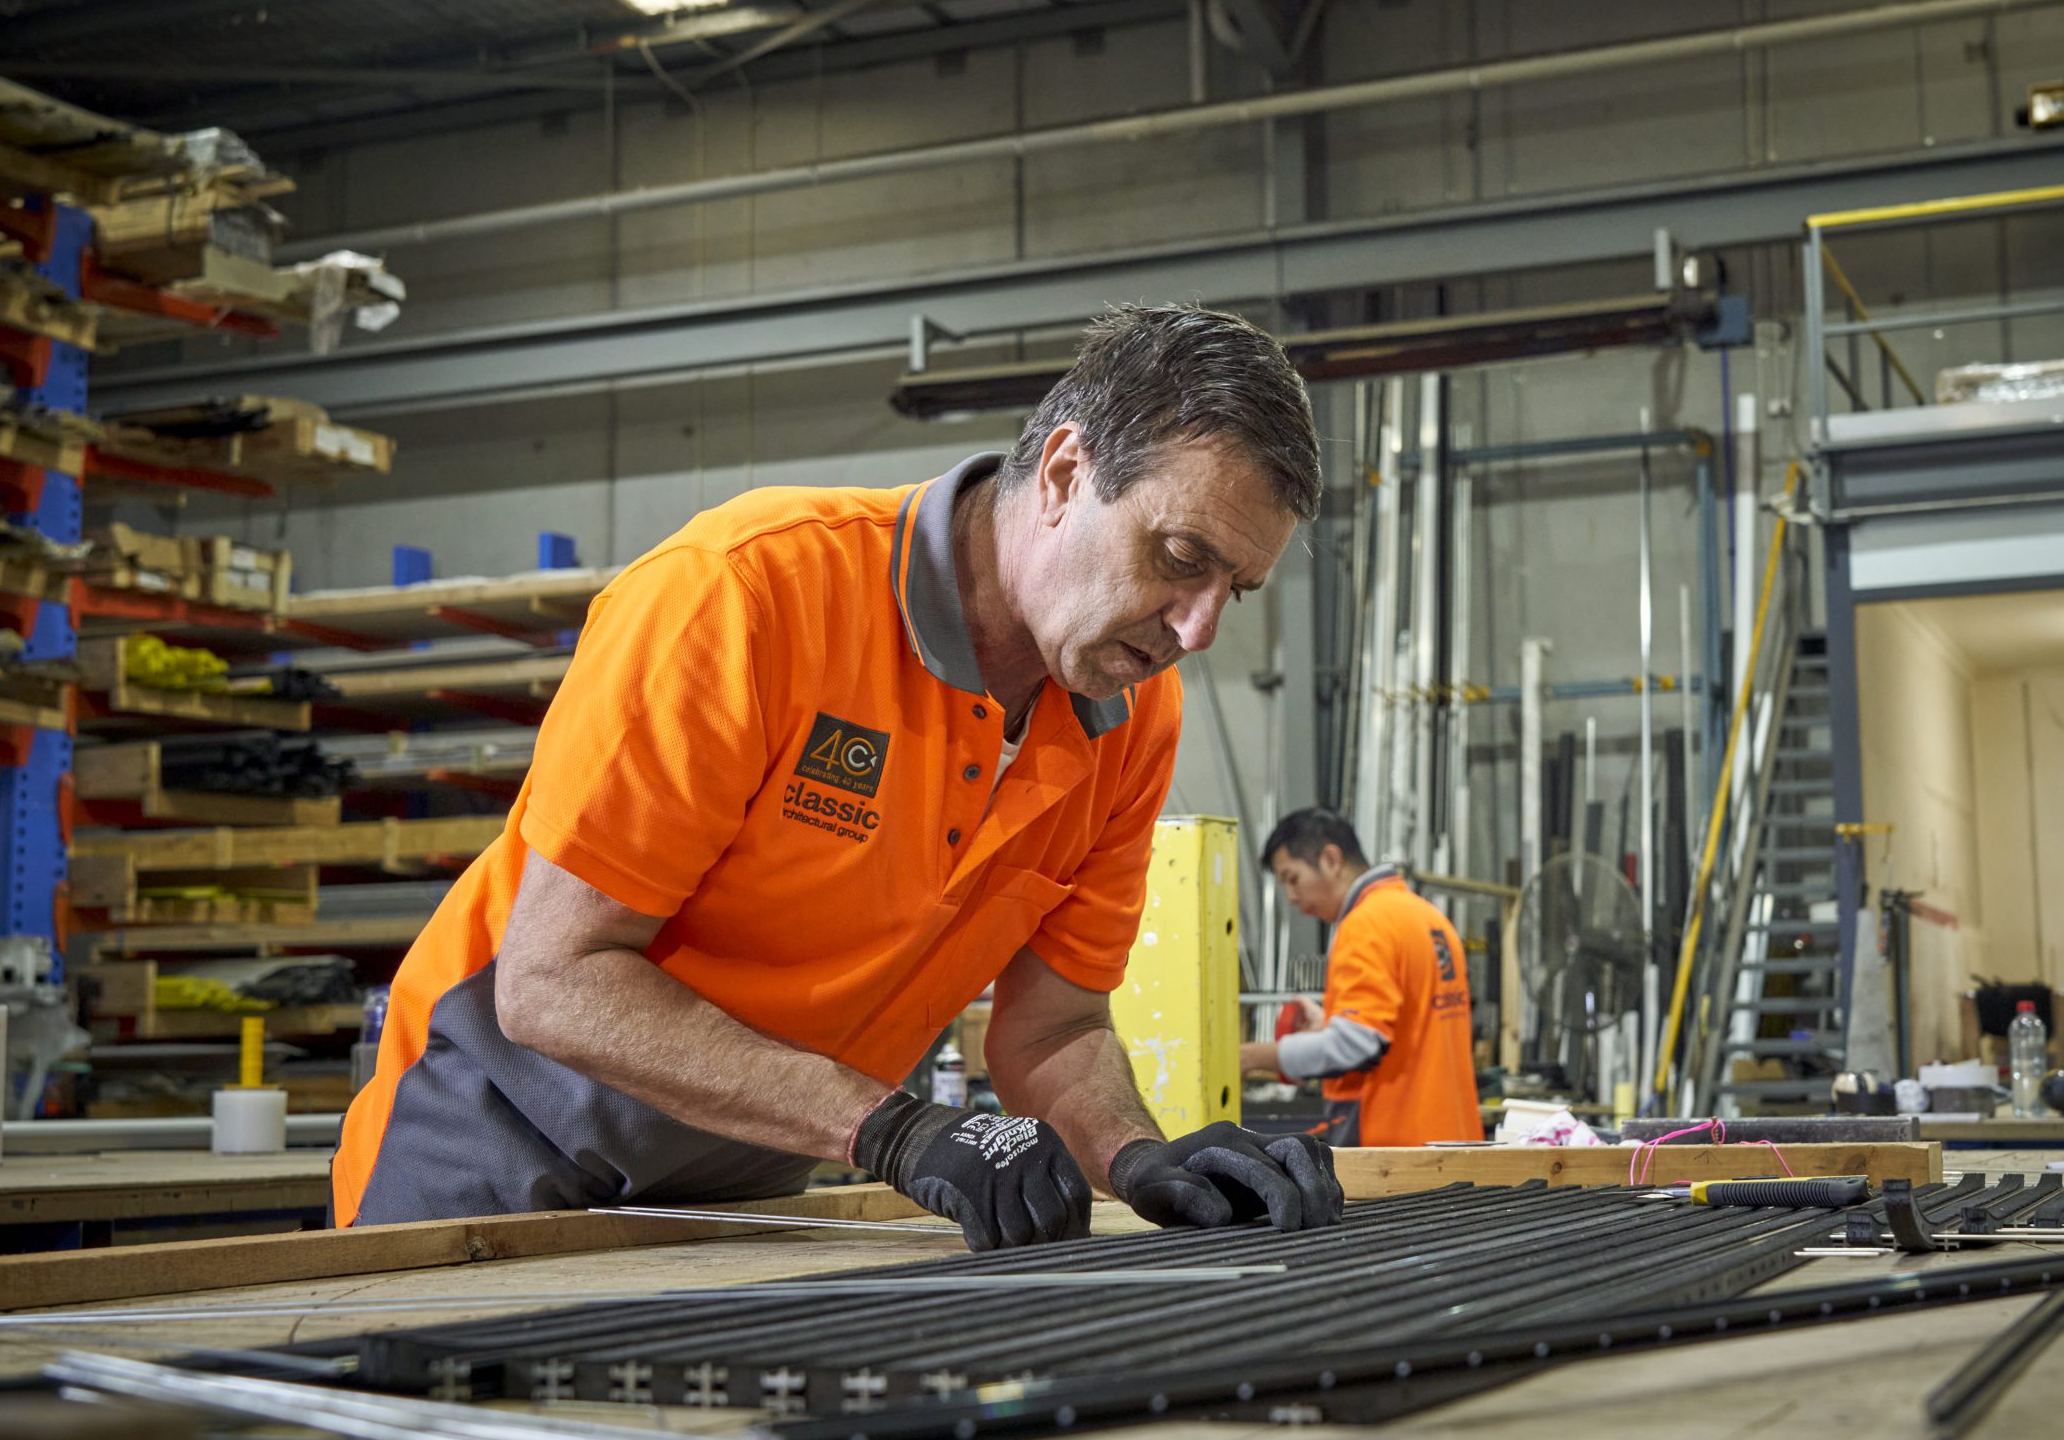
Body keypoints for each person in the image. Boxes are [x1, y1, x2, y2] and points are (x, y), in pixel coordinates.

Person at [333, 305, 1344, 1250]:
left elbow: (1055, 1027)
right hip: (491, 1153)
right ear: (1067, 474)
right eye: (1178, 557)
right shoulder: (747, 594)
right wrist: (896, 1131)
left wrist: (1140, 1157)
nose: (1197, 629)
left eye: (1234, 593)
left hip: (739, 1196)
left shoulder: (1128, 718)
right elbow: (553, 982)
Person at [1243, 809, 1482, 1146]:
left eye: (1292, 879)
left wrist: (1250, 1057)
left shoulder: (1365, 924)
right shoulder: (1426, 916)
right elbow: (1402, 1029)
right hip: (1452, 1142)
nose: (1292, 898)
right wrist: (1330, 1022)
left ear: (1330, 859)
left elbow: (1354, 1046)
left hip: (1395, 1154)